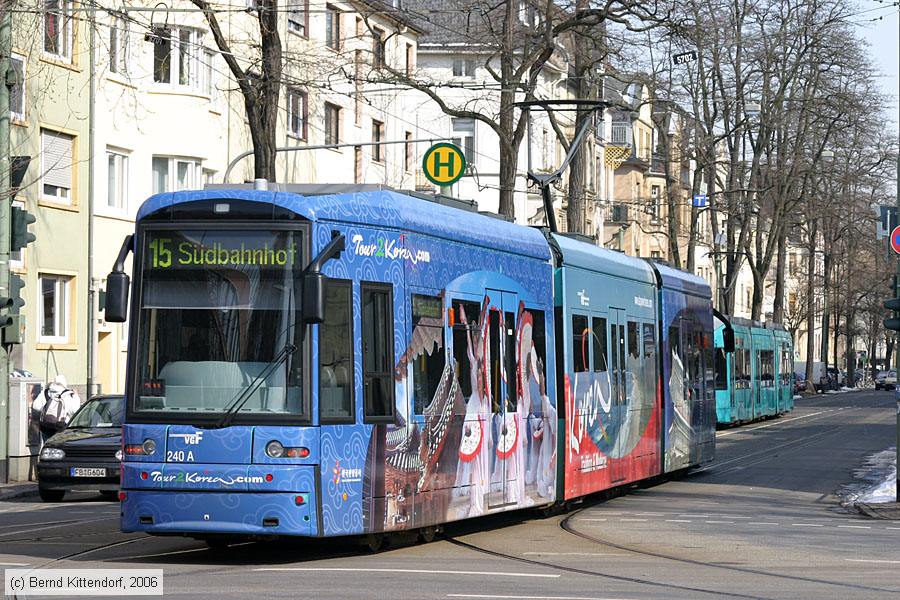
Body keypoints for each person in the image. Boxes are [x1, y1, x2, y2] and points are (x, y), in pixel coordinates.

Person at [31, 375, 81, 443]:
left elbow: (35, 406)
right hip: (61, 426)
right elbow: (74, 410)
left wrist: (47, 409)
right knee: (59, 448)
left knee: (48, 447)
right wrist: (76, 396)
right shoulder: (67, 394)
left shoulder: (45, 392)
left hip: (46, 426)